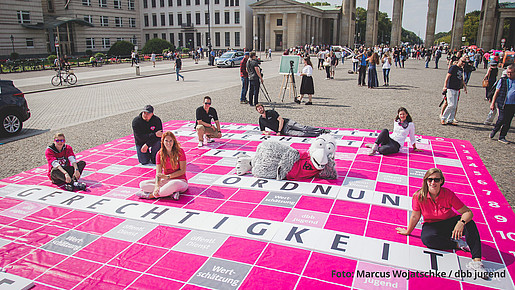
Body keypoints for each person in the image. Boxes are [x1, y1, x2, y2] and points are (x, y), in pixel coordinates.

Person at [396, 168, 489, 279]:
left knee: (470, 223)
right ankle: (458, 244)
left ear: (441, 181)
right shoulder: (418, 196)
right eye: (430, 179)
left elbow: (468, 212)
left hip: (449, 221)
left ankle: (477, 262)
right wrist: (408, 231)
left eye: (436, 179)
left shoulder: (448, 194)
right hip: (432, 224)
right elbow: (415, 216)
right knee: (427, 239)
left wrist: (461, 222)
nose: (433, 182)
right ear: (425, 181)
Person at [137, 131, 188, 200]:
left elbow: (182, 171)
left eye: (170, 141)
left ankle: (151, 195)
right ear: (163, 142)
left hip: (179, 181)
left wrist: (168, 176)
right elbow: (158, 173)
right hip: (166, 180)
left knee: (173, 184)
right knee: (143, 184)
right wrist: (157, 186)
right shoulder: (159, 154)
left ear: (174, 141)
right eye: (166, 141)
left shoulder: (180, 151)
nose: (168, 143)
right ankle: (171, 193)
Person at [256, 104, 329, 137]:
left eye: (261, 108)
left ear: (263, 108)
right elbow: (262, 130)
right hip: (285, 131)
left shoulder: (271, 112)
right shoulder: (261, 120)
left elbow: (281, 120)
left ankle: (321, 130)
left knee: (303, 128)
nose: (260, 109)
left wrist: (278, 131)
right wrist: (266, 133)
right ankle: (319, 135)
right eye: (259, 109)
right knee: (301, 134)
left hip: (287, 123)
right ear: (257, 111)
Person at [489, 64, 515, 144]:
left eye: (511, 73)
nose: (509, 74)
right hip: (502, 103)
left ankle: (502, 136)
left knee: (507, 121)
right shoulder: (503, 80)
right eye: (508, 72)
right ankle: (494, 130)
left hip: (512, 104)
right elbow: (496, 92)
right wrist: (492, 103)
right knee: (501, 119)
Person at [441, 56, 467, 125]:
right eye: (462, 61)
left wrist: (464, 86)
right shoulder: (453, 67)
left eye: (465, 62)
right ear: (459, 60)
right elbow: (447, 77)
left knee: (454, 106)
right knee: (451, 104)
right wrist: (445, 86)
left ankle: (450, 119)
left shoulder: (461, 69)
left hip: (457, 88)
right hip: (450, 88)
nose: (463, 63)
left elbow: (461, 78)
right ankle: (443, 118)